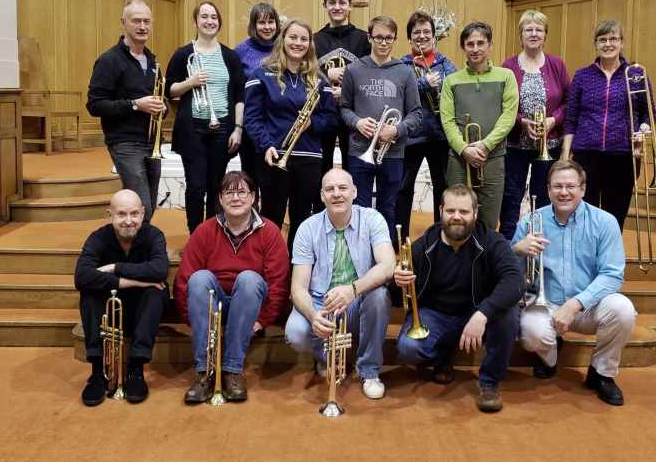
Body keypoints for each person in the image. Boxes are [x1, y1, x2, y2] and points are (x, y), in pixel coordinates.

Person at [512, 160, 636, 406]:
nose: (564, 192)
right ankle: (549, 357)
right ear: (548, 190)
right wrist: (517, 250)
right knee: (530, 331)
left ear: (583, 188)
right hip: (545, 304)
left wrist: (576, 304)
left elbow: (612, 274)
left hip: (589, 305)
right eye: (557, 186)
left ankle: (601, 374)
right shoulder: (531, 221)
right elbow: (509, 272)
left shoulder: (605, 222)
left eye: (570, 186)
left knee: (623, 309)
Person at [394, 184, 521, 413]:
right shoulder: (423, 245)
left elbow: (515, 280)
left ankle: (489, 382)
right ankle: (443, 355)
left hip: (478, 312)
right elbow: (398, 295)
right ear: (441, 210)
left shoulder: (492, 240)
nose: (457, 217)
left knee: (509, 314)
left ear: (475, 213)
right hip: (437, 314)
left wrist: (483, 314)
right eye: (451, 211)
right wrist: (396, 280)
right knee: (408, 347)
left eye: (464, 212)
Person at [174, 171, 289, 403]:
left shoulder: (270, 232)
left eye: (242, 192)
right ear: (220, 198)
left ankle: (232, 371)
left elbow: (278, 282)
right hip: (213, 302)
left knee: (249, 278)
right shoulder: (205, 230)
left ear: (254, 197)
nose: (236, 198)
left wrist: (262, 320)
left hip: (249, 304)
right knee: (199, 278)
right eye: (229, 192)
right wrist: (194, 319)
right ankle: (204, 372)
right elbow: (184, 280)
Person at [285, 168, 394, 400]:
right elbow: (297, 288)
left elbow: (387, 266)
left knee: (379, 296)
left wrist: (353, 289)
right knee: (294, 332)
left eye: (343, 188)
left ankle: (369, 370)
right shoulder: (307, 228)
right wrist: (314, 316)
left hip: (358, 298)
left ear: (354, 192)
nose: (337, 194)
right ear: (322, 195)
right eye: (330, 189)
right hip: (320, 302)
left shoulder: (373, 219)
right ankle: (328, 356)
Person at [244, 19, 337, 252]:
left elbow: (332, 118)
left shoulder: (319, 79)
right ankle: (270, 265)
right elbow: (252, 118)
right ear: (282, 39)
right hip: (275, 154)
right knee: (271, 217)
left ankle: (297, 268)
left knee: (303, 218)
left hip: (309, 157)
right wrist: (266, 145)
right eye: (293, 37)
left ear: (310, 44)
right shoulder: (263, 73)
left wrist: (311, 124)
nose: (298, 43)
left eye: (304, 39)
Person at [74, 189, 169, 406]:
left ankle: (135, 369)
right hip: (110, 310)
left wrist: (116, 267)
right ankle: (98, 371)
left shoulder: (154, 235)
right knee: (89, 292)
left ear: (143, 213)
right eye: (121, 214)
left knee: (157, 291)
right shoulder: (98, 237)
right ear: (110, 214)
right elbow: (81, 276)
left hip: (142, 312)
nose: (129, 221)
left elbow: (160, 270)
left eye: (134, 214)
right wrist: (133, 280)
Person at [561, 20, 655, 231]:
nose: (608, 44)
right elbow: (571, 117)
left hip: (623, 155)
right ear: (595, 44)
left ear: (621, 43)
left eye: (613, 39)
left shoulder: (636, 75)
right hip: (587, 154)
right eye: (602, 39)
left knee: (615, 216)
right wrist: (565, 153)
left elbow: (648, 114)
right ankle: (586, 261)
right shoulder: (582, 76)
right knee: (585, 217)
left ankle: (609, 262)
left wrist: (643, 132)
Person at [165, 1, 246, 234]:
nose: (209, 21)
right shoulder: (183, 54)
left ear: (219, 22)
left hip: (222, 128)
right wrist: (190, 83)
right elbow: (169, 90)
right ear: (196, 22)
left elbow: (240, 94)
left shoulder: (229, 57)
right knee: (195, 186)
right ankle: (195, 234)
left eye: (214, 17)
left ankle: (213, 234)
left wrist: (238, 128)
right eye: (204, 16)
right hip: (193, 129)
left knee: (216, 185)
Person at [340, 15, 422, 244]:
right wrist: (357, 122)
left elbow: (416, 114)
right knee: (359, 207)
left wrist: (396, 130)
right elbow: (344, 108)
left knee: (389, 207)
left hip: (393, 153)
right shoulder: (354, 70)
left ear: (395, 40)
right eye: (378, 37)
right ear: (369, 37)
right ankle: (360, 254)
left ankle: (384, 256)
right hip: (359, 151)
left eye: (388, 38)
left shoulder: (405, 72)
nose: (383, 42)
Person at [87, 0, 164, 223]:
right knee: (142, 206)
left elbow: (156, 99)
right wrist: (135, 104)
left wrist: (161, 107)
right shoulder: (109, 60)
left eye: (146, 21)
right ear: (124, 23)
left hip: (151, 141)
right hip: (125, 143)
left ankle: (139, 250)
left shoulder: (151, 60)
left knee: (149, 202)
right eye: (136, 21)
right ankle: (138, 252)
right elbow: (95, 105)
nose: (142, 26)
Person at [440, 21, 518, 231]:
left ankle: (484, 261)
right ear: (463, 47)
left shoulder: (506, 76)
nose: (475, 49)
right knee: (456, 218)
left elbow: (508, 116)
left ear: (490, 45)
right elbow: (447, 120)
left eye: (480, 43)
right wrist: (464, 149)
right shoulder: (451, 80)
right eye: (470, 44)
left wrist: (485, 145)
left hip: (492, 157)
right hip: (458, 158)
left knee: (489, 217)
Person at [499, 10, 570, 240]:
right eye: (528, 29)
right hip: (515, 145)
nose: (533, 33)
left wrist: (553, 120)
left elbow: (570, 102)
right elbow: (502, 103)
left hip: (549, 145)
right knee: (511, 197)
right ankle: (509, 247)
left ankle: (541, 243)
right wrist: (521, 122)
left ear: (545, 35)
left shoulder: (557, 65)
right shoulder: (508, 65)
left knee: (543, 196)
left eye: (538, 29)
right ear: (521, 35)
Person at [396, 11, 456, 236]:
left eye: (426, 32)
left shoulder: (446, 64)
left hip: (439, 136)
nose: (422, 36)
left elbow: (455, 91)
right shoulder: (401, 65)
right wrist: (422, 84)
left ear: (434, 36)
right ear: (409, 38)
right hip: (410, 136)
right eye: (416, 33)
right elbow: (399, 92)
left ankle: (441, 235)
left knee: (442, 188)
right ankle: (399, 239)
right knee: (404, 189)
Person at [314, 0, 372, 182]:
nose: (337, 7)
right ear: (325, 6)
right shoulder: (314, 40)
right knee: (322, 165)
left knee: (353, 168)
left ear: (350, 5)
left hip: (354, 114)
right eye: (332, 2)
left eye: (341, 2)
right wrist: (326, 75)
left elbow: (371, 74)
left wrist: (346, 86)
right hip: (323, 113)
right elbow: (306, 75)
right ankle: (320, 209)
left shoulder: (364, 39)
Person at [234, 3, 282, 186]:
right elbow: (237, 89)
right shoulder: (240, 51)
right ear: (254, 25)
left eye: (271, 22)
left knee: (272, 181)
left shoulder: (283, 48)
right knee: (251, 178)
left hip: (276, 124)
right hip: (251, 124)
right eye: (262, 23)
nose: (267, 27)